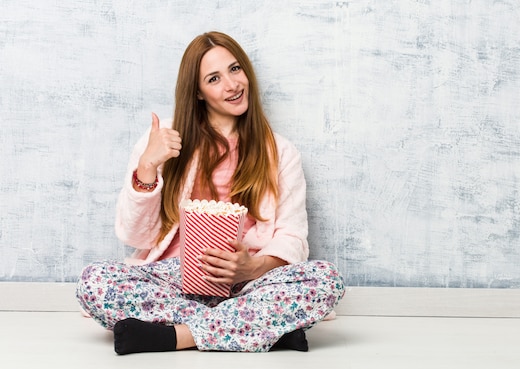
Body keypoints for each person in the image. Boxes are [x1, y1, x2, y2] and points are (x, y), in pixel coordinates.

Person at [76, 31, 345, 355]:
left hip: (248, 284)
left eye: (235, 69)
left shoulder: (281, 152)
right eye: (214, 78)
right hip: (174, 277)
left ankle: (175, 337)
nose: (231, 85)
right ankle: (264, 331)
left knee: (326, 278)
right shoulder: (163, 140)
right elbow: (134, 235)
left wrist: (251, 268)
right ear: (199, 92)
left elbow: (293, 238)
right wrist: (148, 165)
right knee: (95, 280)